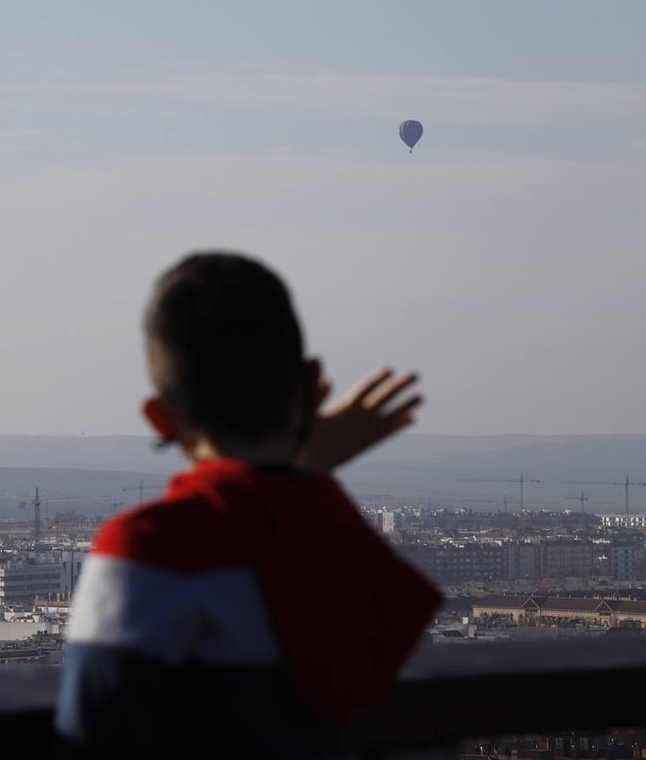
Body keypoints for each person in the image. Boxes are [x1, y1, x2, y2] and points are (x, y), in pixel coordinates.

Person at [53, 250, 443, 759]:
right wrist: (305, 469)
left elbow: (94, 738)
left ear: (160, 418)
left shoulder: (150, 546)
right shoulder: (329, 531)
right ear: (310, 391)